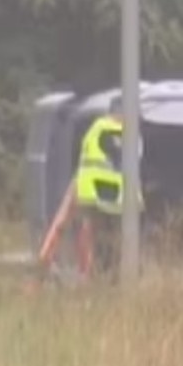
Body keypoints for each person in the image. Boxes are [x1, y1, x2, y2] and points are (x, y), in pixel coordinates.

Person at [74, 96, 127, 279]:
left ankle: (89, 271)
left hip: (91, 190)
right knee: (108, 235)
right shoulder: (111, 130)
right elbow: (124, 158)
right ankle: (103, 271)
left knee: (92, 231)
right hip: (104, 191)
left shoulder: (96, 128)